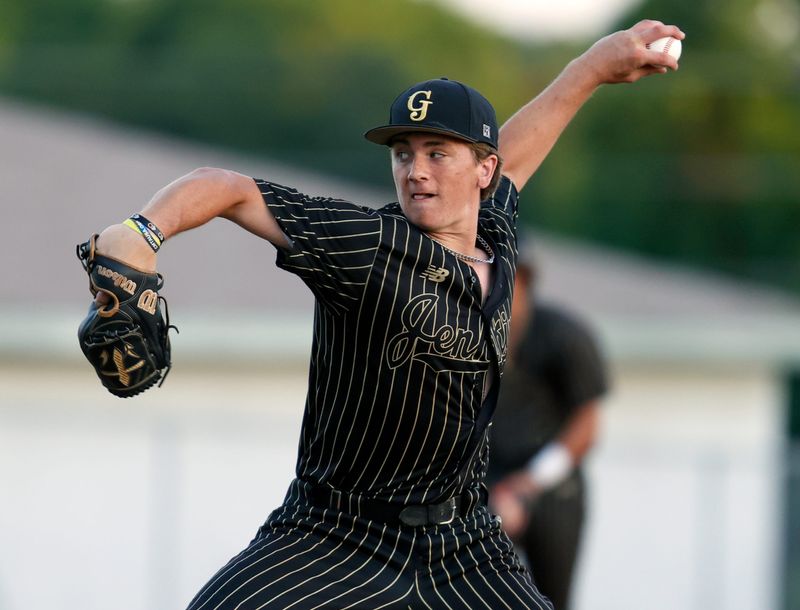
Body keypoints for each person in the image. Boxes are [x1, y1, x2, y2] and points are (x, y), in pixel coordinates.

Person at [88, 20, 683, 609]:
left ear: (484, 171)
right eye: (403, 153)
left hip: (463, 543)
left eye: (437, 152)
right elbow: (227, 187)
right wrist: (143, 230)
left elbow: (521, 146)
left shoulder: (495, 235)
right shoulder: (366, 245)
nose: (415, 169)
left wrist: (592, 69)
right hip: (336, 534)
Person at [488, 257, 609, 610]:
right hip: (486, 481)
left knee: (554, 598)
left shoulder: (563, 335)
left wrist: (530, 483)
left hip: (550, 484)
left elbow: (586, 425)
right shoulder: (462, 330)